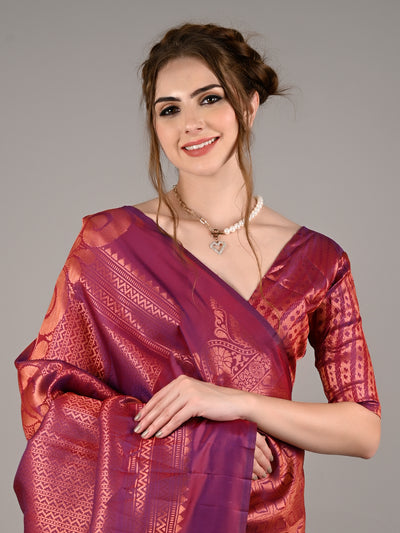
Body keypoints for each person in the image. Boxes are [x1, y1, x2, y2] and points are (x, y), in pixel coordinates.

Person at [14, 23, 380, 533]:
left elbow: (364, 430)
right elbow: (48, 402)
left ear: (249, 106)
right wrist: (209, 446)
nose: (190, 124)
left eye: (210, 99)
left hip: (268, 518)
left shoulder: (319, 260)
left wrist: (236, 404)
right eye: (169, 109)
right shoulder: (109, 246)